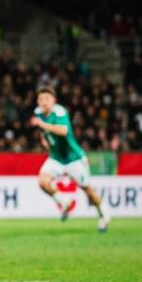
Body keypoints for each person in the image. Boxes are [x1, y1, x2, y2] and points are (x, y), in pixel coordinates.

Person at [30, 86, 110, 231]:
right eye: (41, 99)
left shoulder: (60, 112)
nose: (44, 102)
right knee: (43, 182)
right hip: (56, 158)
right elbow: (43, 132)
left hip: (73, 158)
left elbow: (63, 131)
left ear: (54, 100)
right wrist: (44, 139)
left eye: (47, 99)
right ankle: (64, 201)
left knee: (88, 190)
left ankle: (104, 214)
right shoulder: (38, 113)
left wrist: (42, 125)